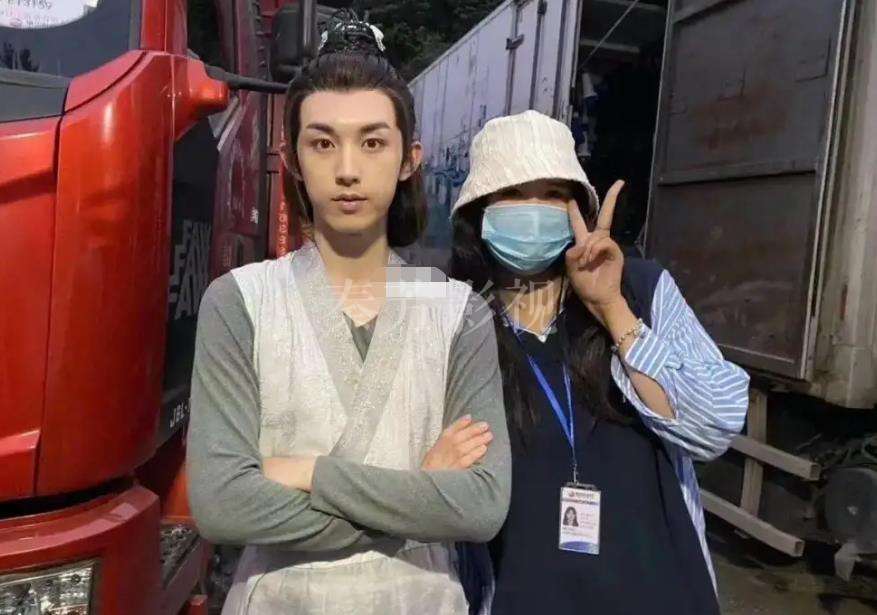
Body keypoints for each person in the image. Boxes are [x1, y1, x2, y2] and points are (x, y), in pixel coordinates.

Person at [186, 14, 510, 614]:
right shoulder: (241, 302)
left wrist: (312, 472)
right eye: (322, 142)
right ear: (291, 157)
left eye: (373, 142)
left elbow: (480, 506)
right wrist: (420, 490)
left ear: (410, 158)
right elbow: (221, 504)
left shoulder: (458, 314)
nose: (347, 170)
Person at [450, 110, 749, 615]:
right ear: (479, 213)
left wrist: (611, 308)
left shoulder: (641, 289)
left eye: (552, 194)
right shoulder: (460, 323)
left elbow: (713, 425)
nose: (533, 210)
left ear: (578, 208)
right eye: (513, 193)